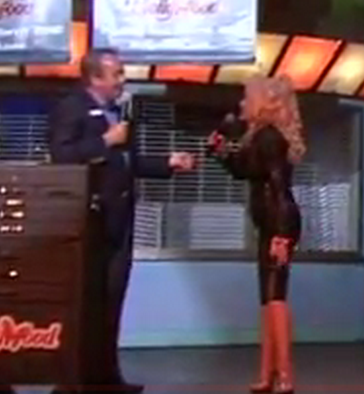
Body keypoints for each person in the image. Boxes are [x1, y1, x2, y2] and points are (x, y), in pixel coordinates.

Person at [48, 48, 195, 394]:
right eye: (116, 73)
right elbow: (61, 155)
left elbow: (129, 163)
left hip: (120, 221)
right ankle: (72, 381)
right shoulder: (72, 107)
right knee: (86, 302)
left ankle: (106, 377)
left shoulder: (121, 115)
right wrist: (104, 140)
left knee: (111, 301)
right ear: (95, 77)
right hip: (89, 222)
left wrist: (167, 163)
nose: (122, 80)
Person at [208, 76, 306, 394]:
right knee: (268, 298)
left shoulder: (269, 137)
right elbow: (243, 170)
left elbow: (278, 187)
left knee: (275, 297)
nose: (241, 104)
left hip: (279, 223)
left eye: (247, 98)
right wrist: (221, 151)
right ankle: (268, 374)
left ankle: (284, 375)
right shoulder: (260, 137)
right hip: (271, 224)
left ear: (263, 102)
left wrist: (282, 235)